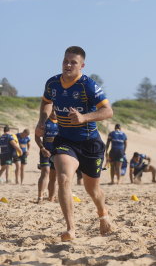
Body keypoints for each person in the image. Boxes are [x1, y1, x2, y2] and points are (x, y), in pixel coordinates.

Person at [34, 46, 113, 241]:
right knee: (63, 178)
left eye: (73, 62)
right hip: (65, 140)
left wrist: (84, 117)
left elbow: (108, 111)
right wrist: (42, 121)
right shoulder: (53, 83)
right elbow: (46, 102)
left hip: (90, 143)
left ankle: (103, 213)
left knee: (92, 190)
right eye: (65, 61)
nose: (68, 65)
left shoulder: (88, 85)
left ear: (82, 65)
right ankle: (71, 228)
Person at [36, 112, 59, 202]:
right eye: (52, 110)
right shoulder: (44, 122)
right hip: (45, 151)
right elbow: (37, 136)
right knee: (45, 172)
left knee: (54, 176)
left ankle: (51, 198)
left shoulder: (62, 121)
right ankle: (40, 197)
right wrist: (42, 148)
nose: (53, 113)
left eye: (55, 110)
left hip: (57, 152)